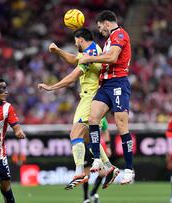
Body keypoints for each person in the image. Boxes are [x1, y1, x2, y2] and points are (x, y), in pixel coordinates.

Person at [38, 28, 119, 190]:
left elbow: (72, 77)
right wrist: (58, 51)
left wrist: (51, 87)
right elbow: (75, 59)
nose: (75, 45)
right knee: (88, 139)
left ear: (81, 39)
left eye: (76, 41)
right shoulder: (93, 50)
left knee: (75, 133)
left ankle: (79, 172)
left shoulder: (91, 54)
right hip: (93, 97)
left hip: (90, 97)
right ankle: (110, 167)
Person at [78, 10, 135, 184]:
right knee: (92, 118)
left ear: (107, 23)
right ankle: (97, 158)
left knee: (121, 124)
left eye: (100, 26)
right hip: (106, 84)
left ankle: (129, 169)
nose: (100, 30)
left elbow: (112, 57)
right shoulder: (109, 40)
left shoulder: (119, 34)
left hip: (118, 83)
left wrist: (90, 58)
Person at [83, 117, 112, 203]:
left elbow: (105, 131)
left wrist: (108, 147)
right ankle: (86, 198)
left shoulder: (103, 118)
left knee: (103, 173)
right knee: (86, 175)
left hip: (96, 147)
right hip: (85, 147)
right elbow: (77, 131)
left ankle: (93, 193)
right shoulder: (85, 114)